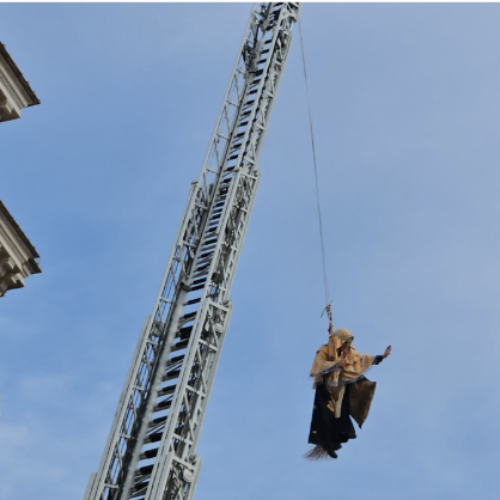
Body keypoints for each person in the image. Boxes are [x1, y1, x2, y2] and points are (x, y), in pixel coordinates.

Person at [307, 326, 391, 459]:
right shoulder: (325, 350)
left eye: (348, 343)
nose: (347, 345)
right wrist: (335, 364)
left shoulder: (349, 353)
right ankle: (326, 443)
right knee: (326, 415)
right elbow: (319, 365)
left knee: (340, 416)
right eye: (345, 342)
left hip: (341, 387)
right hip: (327, 387)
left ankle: (334, 443)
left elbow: (361, 358)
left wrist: (380, 357)